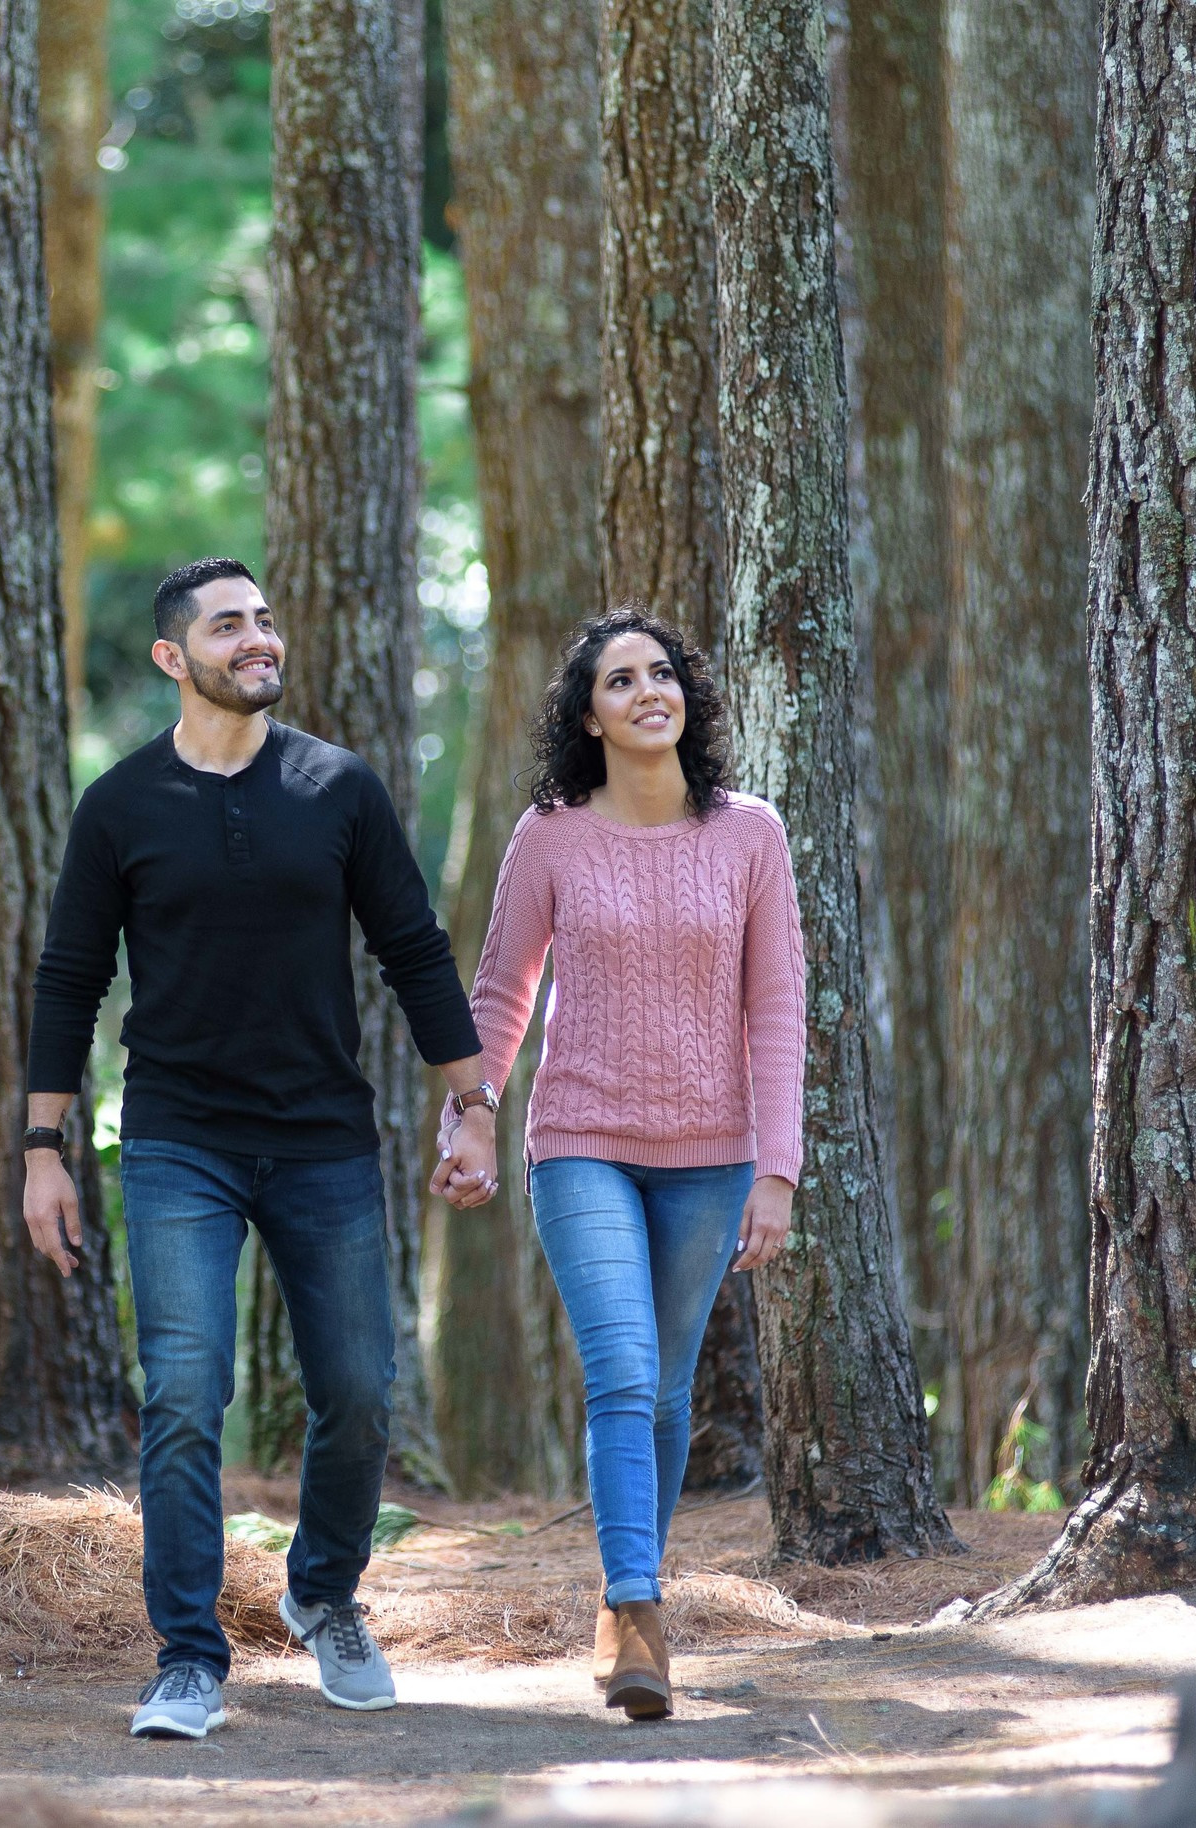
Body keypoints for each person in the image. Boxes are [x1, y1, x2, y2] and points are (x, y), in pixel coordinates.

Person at [23, 556, 500, 1741]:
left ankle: (324, 1592)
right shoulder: (120, 806)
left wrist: (473, 1101)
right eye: (229, 625)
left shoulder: (338, 787)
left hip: (324, 1136)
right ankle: (188, 1655)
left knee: (356, 1388)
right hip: (178, 1138)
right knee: (184, 1393)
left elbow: (415, 949)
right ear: (172, 658)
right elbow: (69, 981)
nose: (258, 638)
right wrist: (45, 1146)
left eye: (265, 618)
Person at [435, 606, 802, 1722]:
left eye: (664, 674)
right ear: (586, 717)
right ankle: (634, 1611)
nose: (650, 692)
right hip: (581, 1144)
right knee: (624, 1372)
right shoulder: (550, 834)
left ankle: (633, 1588)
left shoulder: (751, 834)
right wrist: (472, 1112)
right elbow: (503, 990)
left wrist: (776, 1170)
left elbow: (777, 1007)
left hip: (712, 1160)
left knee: (666, 1389)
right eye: (620, 680)